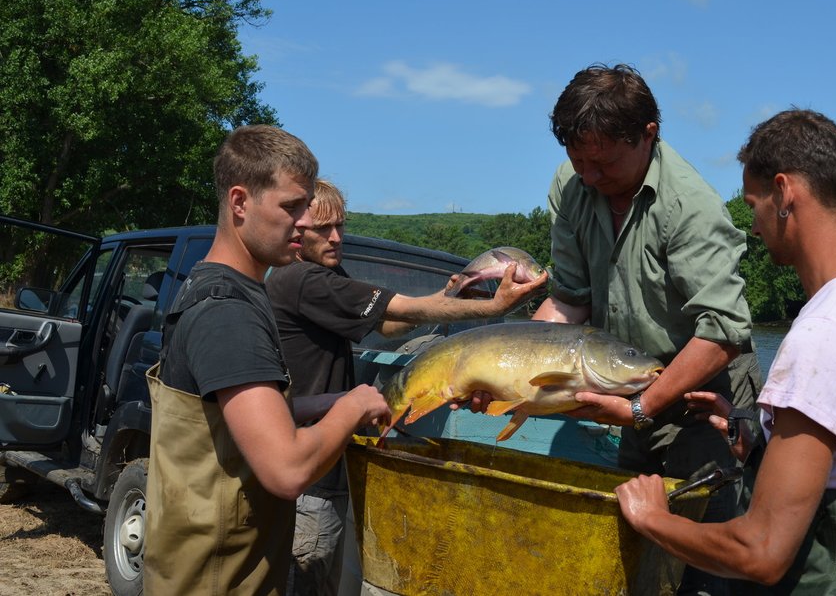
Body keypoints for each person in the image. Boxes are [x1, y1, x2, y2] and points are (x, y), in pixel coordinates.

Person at [614, 109, 836, 593]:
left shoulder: (825, 336)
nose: (753, 225)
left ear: (785, 193)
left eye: (753, 203)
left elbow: (761, 551)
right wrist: (762, 438)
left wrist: (654, 519)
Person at [511, 63, 761, 595]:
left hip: (702, 396)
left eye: (603, 163)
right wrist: (506, 375)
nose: (589, 178)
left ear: (649, 134)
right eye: (578, 161)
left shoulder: (690, 208)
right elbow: (569, 301)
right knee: (634, 551)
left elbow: (722, 332)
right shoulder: (573, 184)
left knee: (700, 560)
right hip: (623, 381)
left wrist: (641, 409)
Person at [265, 179, 549, 596]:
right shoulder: (304, 279)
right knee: (306, 581)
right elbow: (404, 308)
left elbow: (388, 322)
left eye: (341, 226)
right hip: (309, 473)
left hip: (323, 459)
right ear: (296, 228)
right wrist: (492, 306)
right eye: (323, 229)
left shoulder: (322, 274)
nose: (336, 238)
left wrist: (451, 293)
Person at [143, 125, 391, 594]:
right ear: (240, 202)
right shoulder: (227, 314)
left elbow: (236, 420)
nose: (303, 222)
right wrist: (352, 408)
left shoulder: (225, 290)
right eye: (291, 206)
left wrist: (335, 399)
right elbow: (286, 470)